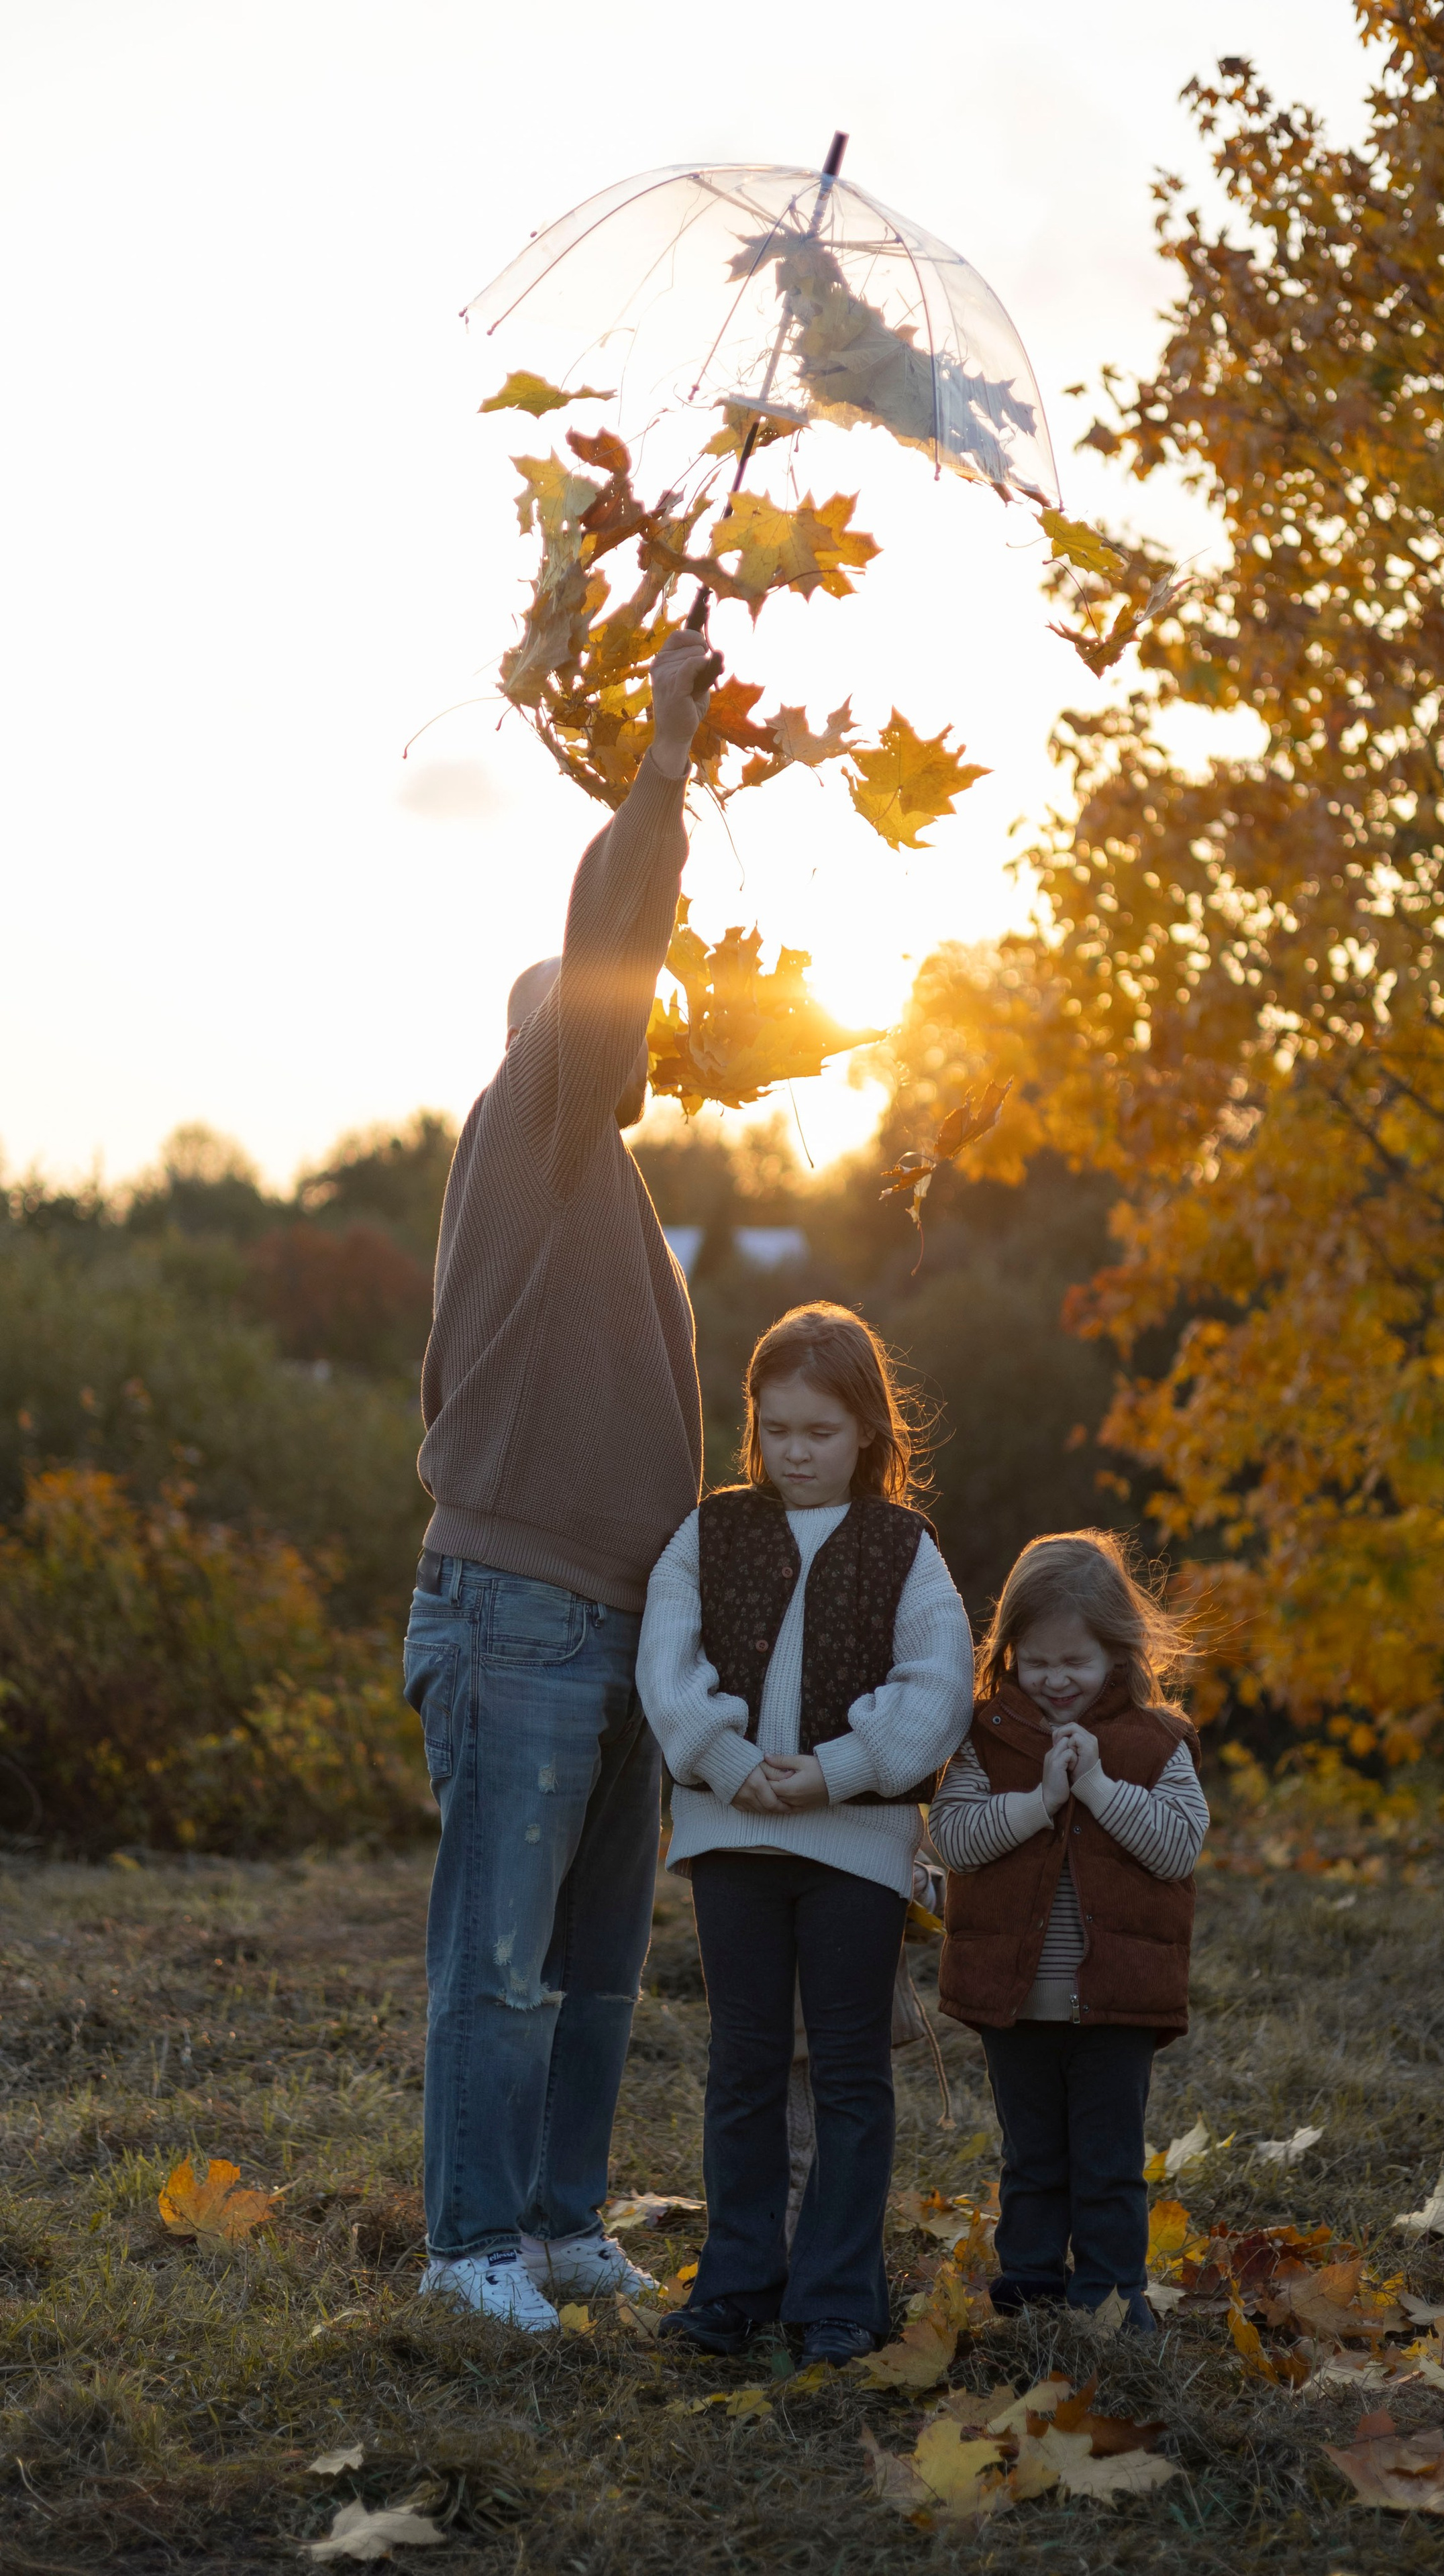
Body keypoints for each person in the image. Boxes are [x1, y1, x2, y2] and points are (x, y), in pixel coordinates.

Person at [405, 628, 721, 2332]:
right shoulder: (525, 1124)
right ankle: (467, 2248)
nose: (629, 1029)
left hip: (617, 1631)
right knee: (502, 1962)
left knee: (596, 1967)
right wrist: (659, 773)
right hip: (516, 1615)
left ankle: (554, 2221)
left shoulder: (605, 1196)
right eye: (602, 1014)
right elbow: (610, 940)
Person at [637, 1303, 973, 2363]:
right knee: (741, 2065)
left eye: (820, 1432)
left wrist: (835, 1770)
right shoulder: (710, 1529)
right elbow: (666, 1662)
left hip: (856, 1850)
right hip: (729, 1840)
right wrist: (731, 1764)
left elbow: (936, 1686)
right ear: (754, 1425)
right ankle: (736, 2287)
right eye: (777, 1429)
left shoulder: (902, 1547)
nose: (796, 1452)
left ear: (867, 1430)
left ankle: (838, 2296)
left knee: (848, 2069)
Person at [928, 1531, 1208, 2331]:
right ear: (1009, 1650)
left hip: (1117, 2000)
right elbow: (955, 1838)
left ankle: (1113, 2299)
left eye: (1074, 1664)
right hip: (1013, 1998)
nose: (1054, 1682)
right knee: (1032, 2158)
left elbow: (1176, 1845)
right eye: (1035, 1661)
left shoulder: (1158, 1744)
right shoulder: (988, 1739)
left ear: (1116, 1656)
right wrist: (1041, 1801)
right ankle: (1031, 2292)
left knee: (1109, 2162)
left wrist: (1096, 1785)